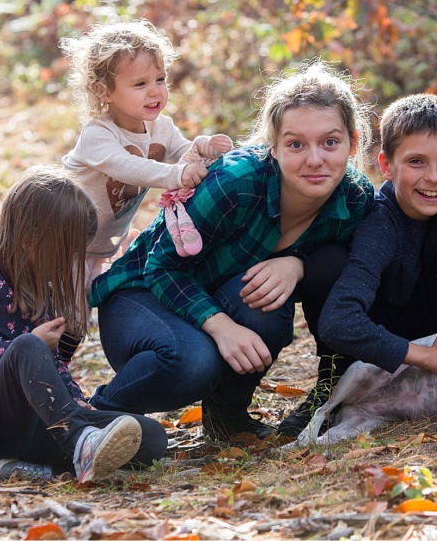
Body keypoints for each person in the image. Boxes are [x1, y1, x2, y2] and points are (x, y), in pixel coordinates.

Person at [88, 61, 376, 443]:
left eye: (330, 142)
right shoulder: (236, 183)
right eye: (295, 144)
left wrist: (297, 263)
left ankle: (227, 418)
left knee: (269, 304)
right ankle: (92, 417)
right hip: (143, 294)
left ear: (352, 144)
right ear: (272, 147)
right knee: (191, 363)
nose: (314, 159)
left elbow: (341, 268)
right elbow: (161, 268)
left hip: (215, 294)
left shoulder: (354, 199)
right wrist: (220, 327)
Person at [276, 92, 437, 437]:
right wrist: (427, 357)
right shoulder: (377, 220)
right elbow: (338, 322)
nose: (434, 177)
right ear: (387, 166)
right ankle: (333, 383)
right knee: (328, 259)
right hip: (389, 339)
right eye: (417, 162)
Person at [0, 166, 168, 482]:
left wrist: (75, 401)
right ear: (34, 238)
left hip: (47, 424)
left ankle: (40, 468)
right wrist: (23, 345)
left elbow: (54, 366)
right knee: (27, 346)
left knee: (151, 435)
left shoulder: (43, 293)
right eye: (67, 251)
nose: (71, 261)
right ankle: (80, 443)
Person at [60, 18, 232, 288]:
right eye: (140, 84)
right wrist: (178, 174)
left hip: (104, 241)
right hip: (67, 238)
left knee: (95, 298)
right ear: (103, 91)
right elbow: (126, 166)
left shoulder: (161, 126)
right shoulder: (98, 134)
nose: (155, 90)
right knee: (66, 306)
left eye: (160, 79)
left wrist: (203, 150)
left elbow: (184, 152)